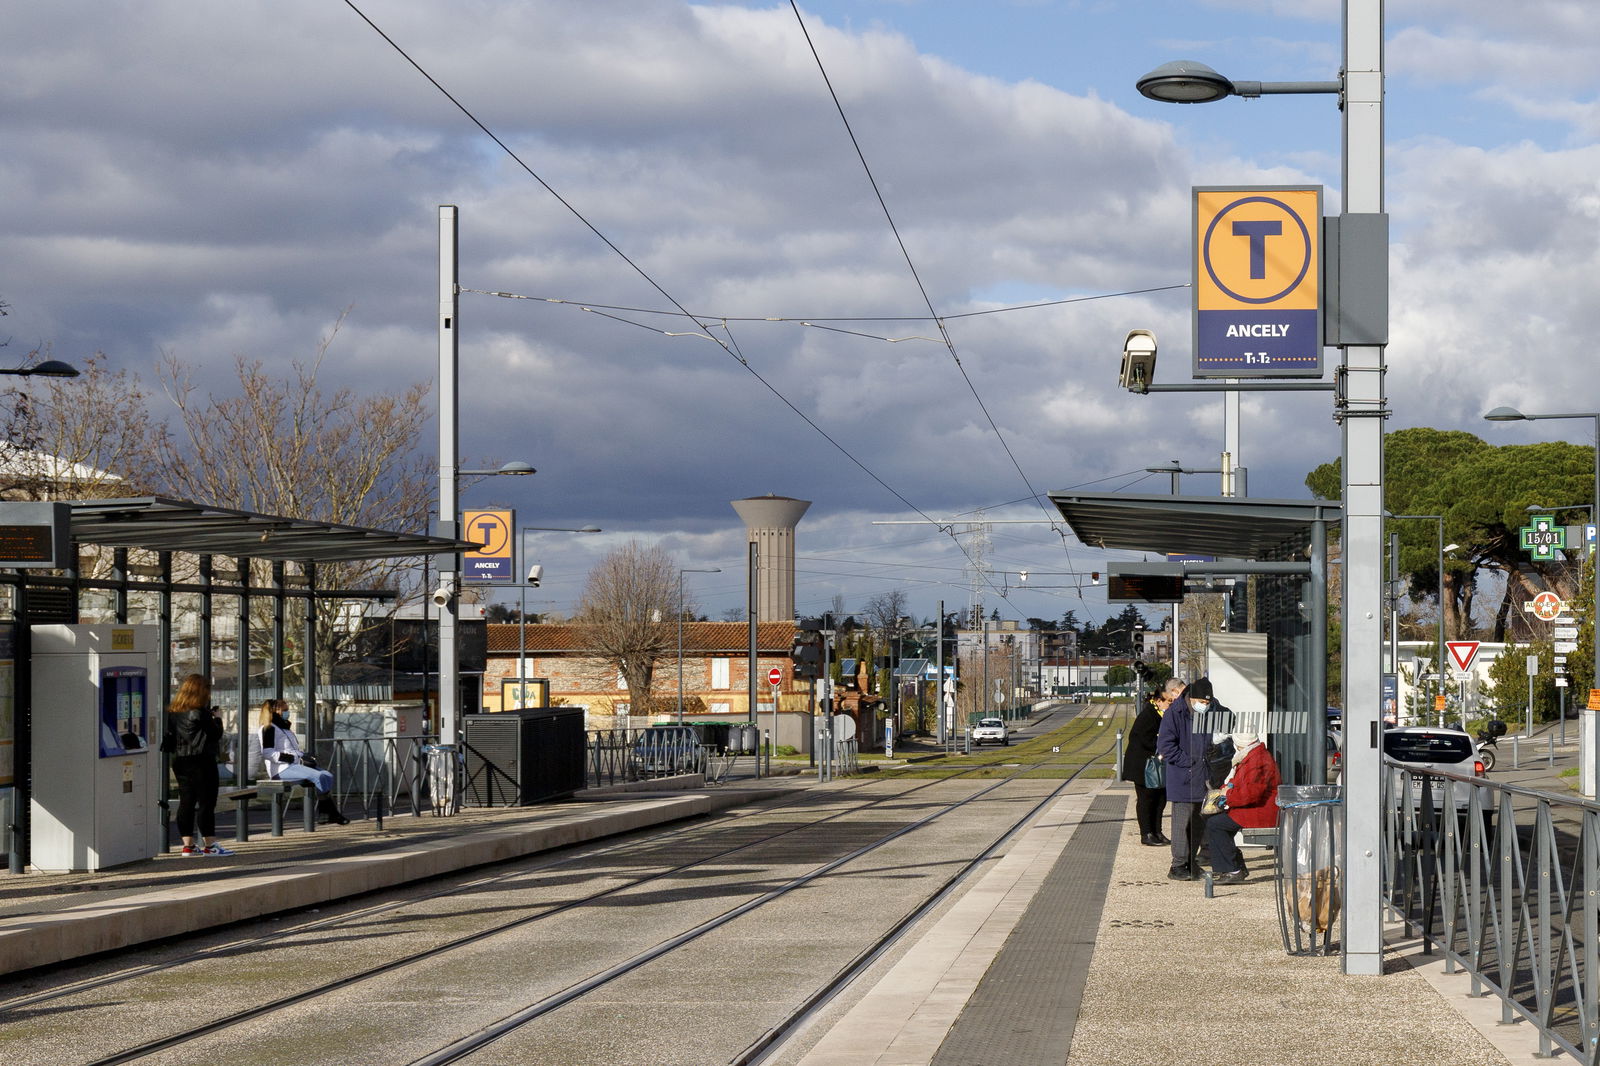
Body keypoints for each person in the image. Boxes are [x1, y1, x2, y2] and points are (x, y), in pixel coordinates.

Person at [168, 674, 234, 857]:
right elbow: (215, 734)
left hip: (181, 761)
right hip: (202, 761)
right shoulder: (200, 712)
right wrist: (218, 718)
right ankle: (210, 845)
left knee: (186, 803)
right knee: (206, 803)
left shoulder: (174, 712)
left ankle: (187, 846)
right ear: (201, 691)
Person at [1202, 731, 1281, 884]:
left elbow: (1252, 793)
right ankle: (1234, 866)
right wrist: (1227, 788)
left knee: (1215, 824)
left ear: (1241, 744)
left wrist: (1228, 795)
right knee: (1216, 822)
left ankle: (1233, 870)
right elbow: (1240, 782)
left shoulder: (1256, 759)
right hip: (1258, 808)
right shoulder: (1255, 754)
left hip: (1260, 810)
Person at [1156, 676, 1215, 880]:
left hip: (1203, 776)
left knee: (1199, 822)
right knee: (1182, 824)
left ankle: (1191, 862)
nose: (1205, 706)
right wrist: (1190, 762)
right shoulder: (1175, 713)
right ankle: (1178, 864)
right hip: (1184, 777)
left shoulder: (1210, 710)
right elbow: (1165, 746)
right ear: (1192, 698)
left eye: (1208, 703)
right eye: (1203, 702)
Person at [258, 698, 349, 825]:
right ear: (276, 710)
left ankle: (327, 814)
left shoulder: (284, 728)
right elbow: (267, 753)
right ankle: (328, 814)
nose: (287, 712)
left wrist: (304, 756)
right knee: (319, 776)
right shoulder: (268, 728)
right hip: (281, 769)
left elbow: (292, 749)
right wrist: (290, 758)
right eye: (285, 710)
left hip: (295, 765)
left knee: (328, 776)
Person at [1121, 679, 1179, 846]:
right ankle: (1146, 833)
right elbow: (1140, 739)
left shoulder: (1163, 715)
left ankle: (1157, 831)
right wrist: (1162, 745)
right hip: (1144, 767)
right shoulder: (1149, 715)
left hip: (1156, 766)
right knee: (1146, 799)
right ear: (1158, 700)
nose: (1171, 704)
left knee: (1160, 799)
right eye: (1169, 701)